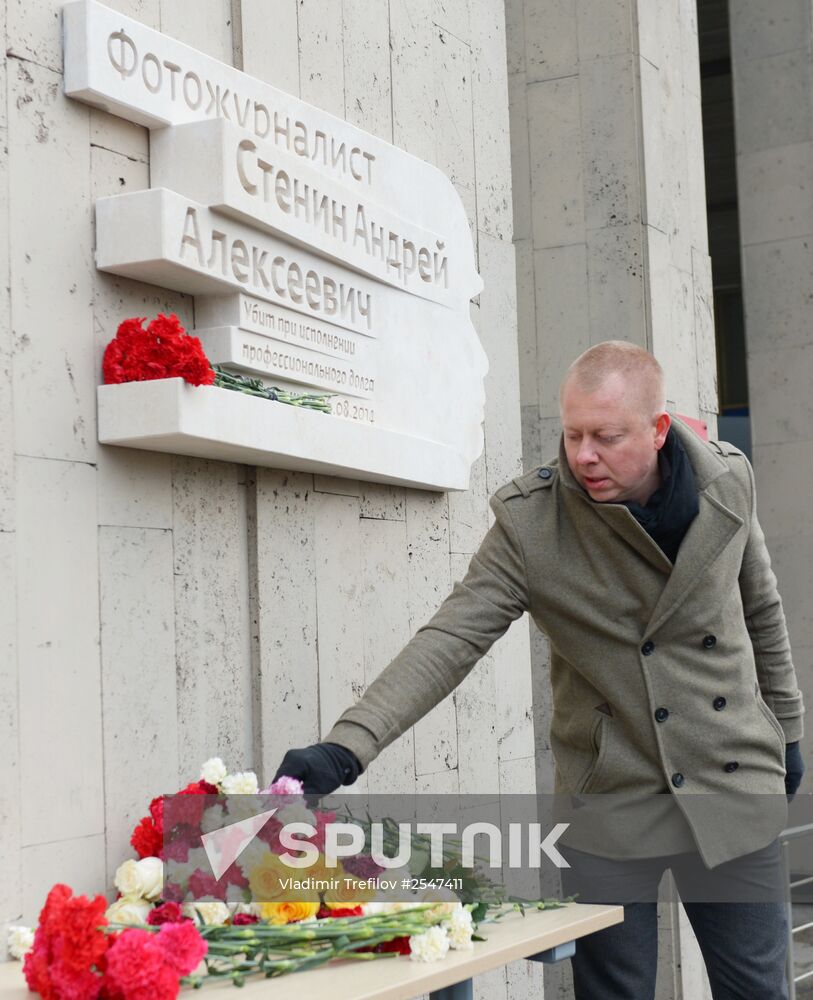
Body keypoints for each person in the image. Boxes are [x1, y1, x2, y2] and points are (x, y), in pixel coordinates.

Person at [273, 341, 805, 998]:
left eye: (606, 437)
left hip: (732, 783)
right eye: (573, 432)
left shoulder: (726, 481)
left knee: (759, 991)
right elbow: (450, 637)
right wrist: (346, 747)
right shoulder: (532, 524)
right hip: (611, 800)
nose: (583, 455)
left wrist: (786, 729)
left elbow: (761, 605)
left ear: (656, 429)